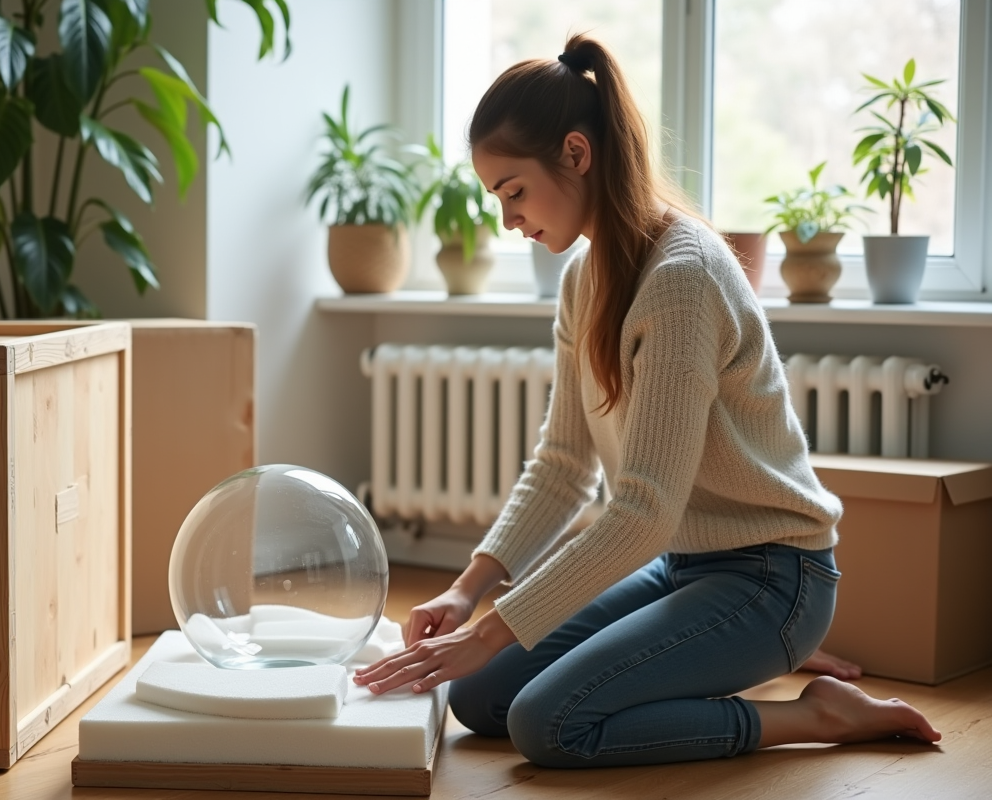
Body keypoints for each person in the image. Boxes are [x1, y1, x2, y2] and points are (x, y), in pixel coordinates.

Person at [353, 33, 940, 767]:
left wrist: (495, 626)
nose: (507, 219)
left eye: (512, 191)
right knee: (480, 698)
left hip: (774, 578)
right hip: (683, 566)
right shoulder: (584, 277)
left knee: (549, 725)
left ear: (576, 153)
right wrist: (468, 593)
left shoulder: (684, 276)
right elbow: (564, 464)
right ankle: (704, 655)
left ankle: (815, 714)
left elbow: (643, 509)